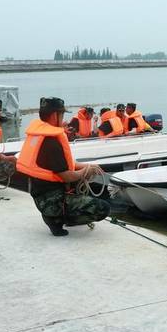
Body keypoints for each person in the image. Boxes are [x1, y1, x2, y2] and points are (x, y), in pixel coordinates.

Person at [17, 97, 110, 236]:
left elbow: (65, 166)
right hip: (51, 200)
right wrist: (85, 171)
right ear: (55, 115)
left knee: (79, 181)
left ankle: (55, 215)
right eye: (62, 114)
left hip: (41, 194)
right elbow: (66, 176)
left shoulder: (40, 133)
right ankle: (57, 218)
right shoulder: (51, 141)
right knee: (103, 208)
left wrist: (89, 166)